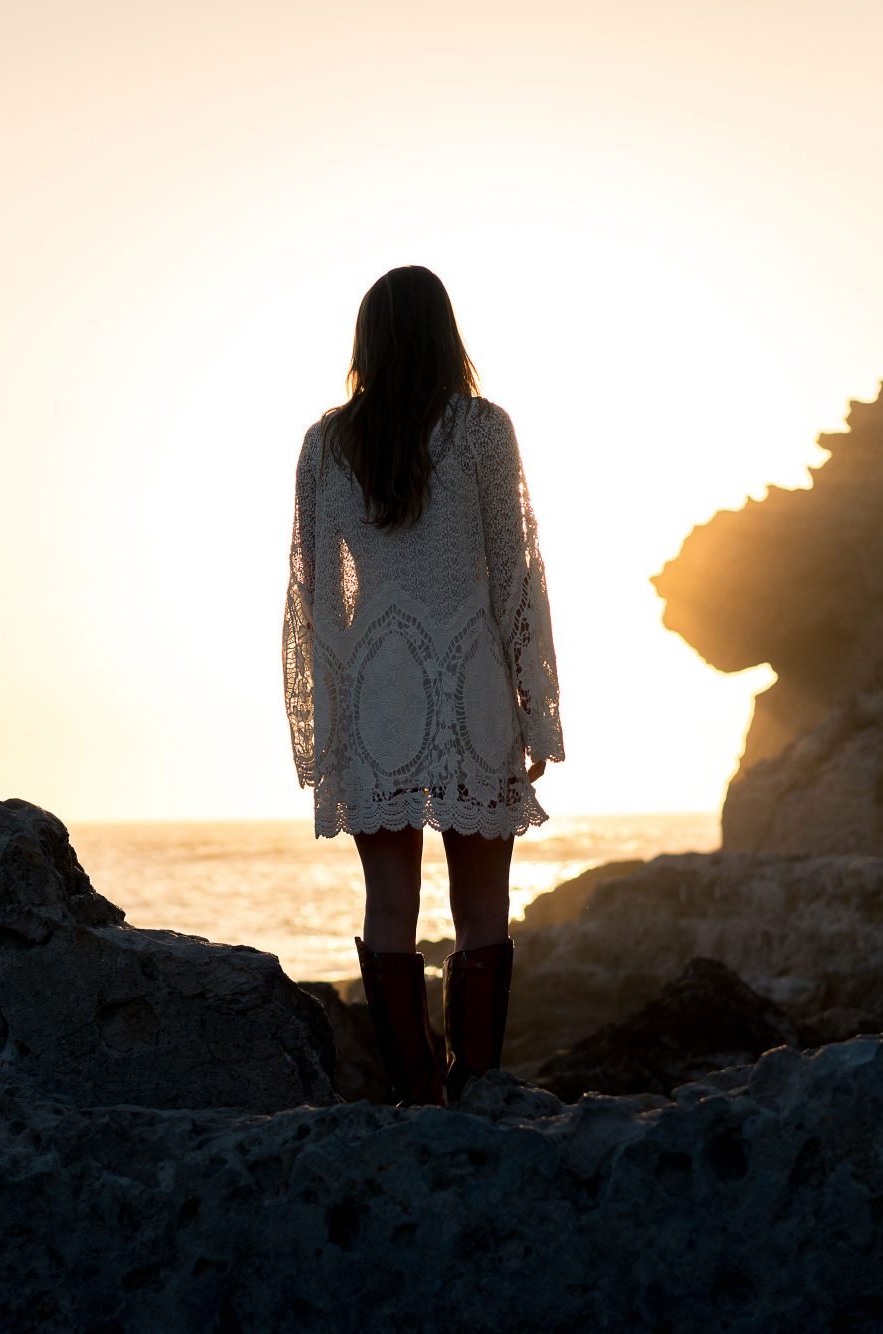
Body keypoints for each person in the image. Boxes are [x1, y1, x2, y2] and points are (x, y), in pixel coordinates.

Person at [282, 265, 564, 1108]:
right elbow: (515, 575)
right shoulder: (483, 429)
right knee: (483, 908)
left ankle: (416, 1096)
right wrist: (534, 710)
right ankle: (476, 1088)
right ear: (447, 334)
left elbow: (317, 600)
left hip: (379, 690)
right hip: (471, 680)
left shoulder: (327, 444)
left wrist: (329, 722)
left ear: (366, 341)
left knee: (389, 902)